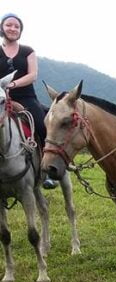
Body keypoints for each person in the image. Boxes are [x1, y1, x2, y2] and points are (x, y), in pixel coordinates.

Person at [0, 12, 57, 189]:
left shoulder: (28, 51)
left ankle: (47, 172)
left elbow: (33, 75)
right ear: (2, 27)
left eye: (17, 26)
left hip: (26, 98)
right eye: (9, 25)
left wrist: (12, 84)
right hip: (1, 97)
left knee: (42, 126)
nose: (13, 28)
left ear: (20, 30)